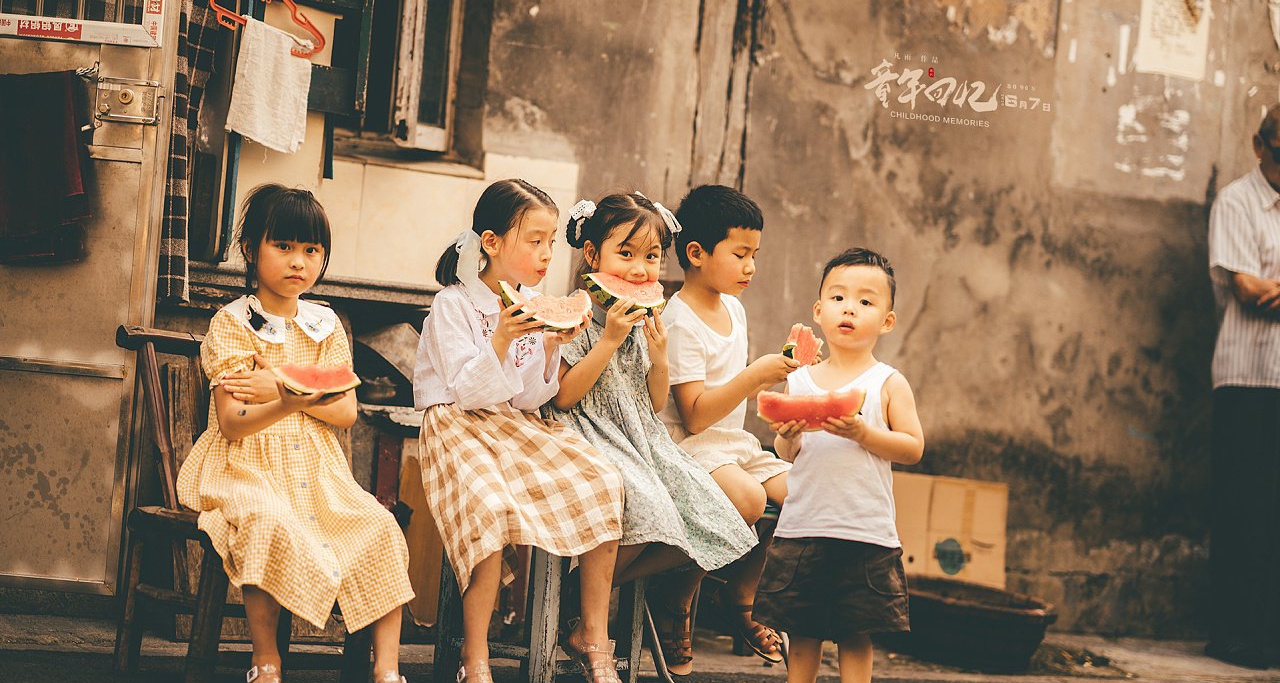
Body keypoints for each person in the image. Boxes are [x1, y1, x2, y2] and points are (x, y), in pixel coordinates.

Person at [176, 184, 414, 683]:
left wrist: (281, 386)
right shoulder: (232, 324)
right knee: (266, 522)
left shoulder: (324, 323)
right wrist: (294, 399)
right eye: (283, 247)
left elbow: (346, 411)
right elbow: (233, 422)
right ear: (250, 250)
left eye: (311, 250)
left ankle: (387, 671)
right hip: (244, 463)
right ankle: (267, 662)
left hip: (317, 467)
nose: (298, 262)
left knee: (378, 527)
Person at [410, 179, 626, 683]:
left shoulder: (533, 300)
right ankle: (475, 656)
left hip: (513, 426)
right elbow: (468, 391)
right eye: (534, 240)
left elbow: (528, 398)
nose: (547, 253)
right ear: (491, 242)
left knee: (603, 480)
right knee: (489, 509)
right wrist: (504, 336)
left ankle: (592, 636)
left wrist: (550, 348)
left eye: (551, 241)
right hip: (455, 427)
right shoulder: (453, 305)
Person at [544, 193, 757, 655]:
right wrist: (608, 341)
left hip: (642, 434)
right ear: (592, 254)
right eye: (626, 254)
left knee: (712, 517)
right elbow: (562, 395)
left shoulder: (646, 318)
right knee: (653, 506)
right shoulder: (574, 315)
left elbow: (655, 399)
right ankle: (585, 610)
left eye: (652, 257)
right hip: (589, 435)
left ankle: (581, 588)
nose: (641, 271)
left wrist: (659, 357)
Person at [756, 247, 924, 683]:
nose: (849, 308)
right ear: (818, 310)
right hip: (802, 528)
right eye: (838, 298)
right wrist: (787, 436)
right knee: (803, 634)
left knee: (856, 635)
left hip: (864, 533)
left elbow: (912, 447)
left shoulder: (888, 382)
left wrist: (864, 434)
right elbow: (788, 453)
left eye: (866, 302)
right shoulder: (799, 379)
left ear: (886, 321)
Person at [651, 184, 796, 673]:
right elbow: (693, 413)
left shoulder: (734, 308)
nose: (751, 266)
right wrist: (755, 374)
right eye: (740, 254)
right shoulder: (680, 320)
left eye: (755, 254)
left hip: (732, 444)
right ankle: (678, 597)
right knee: (750, 500)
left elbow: (735, 400)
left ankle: (739, 600)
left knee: (806, 494)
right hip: (688, 446)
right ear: (696, 253)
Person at [1204, 104, 1280, 670]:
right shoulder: (1237, 200)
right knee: (1241, 506)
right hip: (1246, 376)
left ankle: (1268, 634)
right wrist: (1261, 286)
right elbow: (1250, 289)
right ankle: (1232, 634)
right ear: (1260, 146)